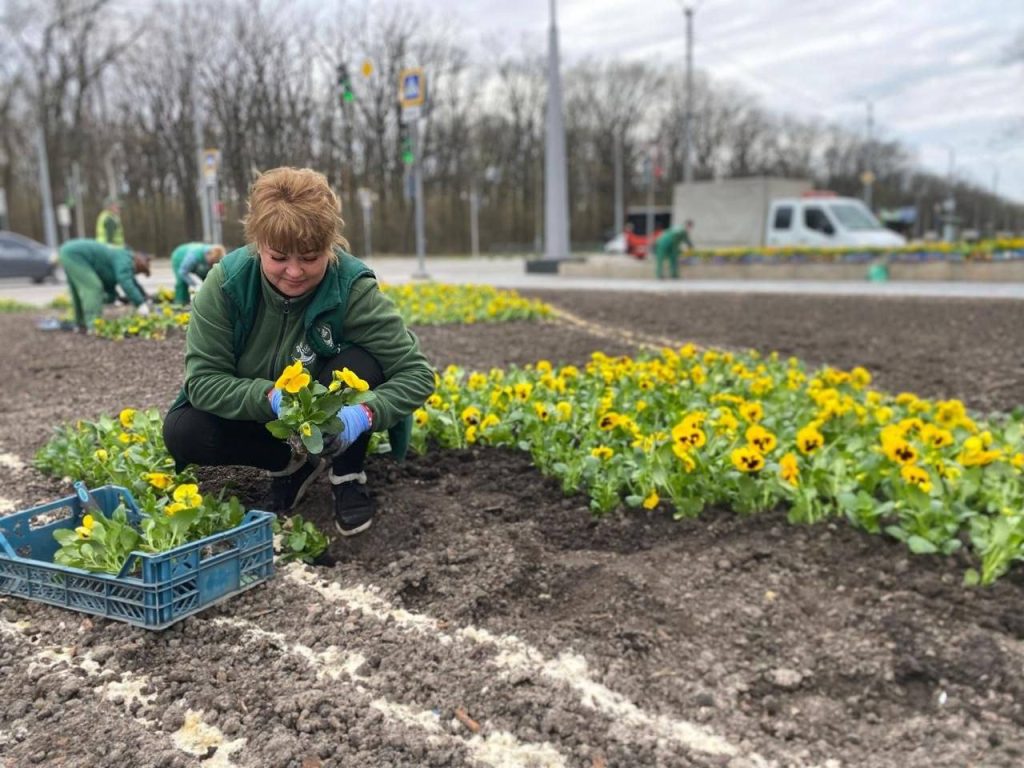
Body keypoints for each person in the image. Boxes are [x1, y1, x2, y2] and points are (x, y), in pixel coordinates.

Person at [162, 167, 435, 537]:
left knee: (360, 364)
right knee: (184, 431)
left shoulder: (352, 288)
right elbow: (204, 382)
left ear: (330, 247)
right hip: (261, 408)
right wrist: (271, 397)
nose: (294, 272)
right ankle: (290, 461)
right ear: (258, 244)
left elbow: (416, 373)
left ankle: (347, 470)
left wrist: (365, 414)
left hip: (328, 406)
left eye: (310, 257)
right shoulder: (227, 284)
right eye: (278, 257)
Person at [57, 239, 152, 331]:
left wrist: (142, 297)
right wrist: (140, 304)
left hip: (70, 252)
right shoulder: (125, 259)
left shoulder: (123, 259)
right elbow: (126, 281)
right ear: (137, 263)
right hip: (76, 254)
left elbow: (131, 282)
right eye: (139, 271)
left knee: (79, 292)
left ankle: (81, 323)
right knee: (93, 287)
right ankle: (94, 324)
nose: (136, 273)